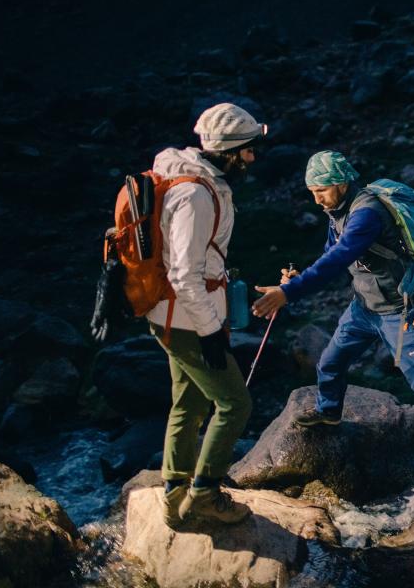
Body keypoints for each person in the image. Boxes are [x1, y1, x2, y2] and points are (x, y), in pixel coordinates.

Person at [251, 151, 414, 495]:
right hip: (363, 308)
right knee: (330, 362)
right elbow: (330, 253)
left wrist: (289, 294)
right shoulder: (337, 211)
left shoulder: (367, 214)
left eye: (321, 190)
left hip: (399, 312)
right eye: (312, 192)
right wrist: (297, 278)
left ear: (342, 182)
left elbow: (341, 257)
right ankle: (329, 412)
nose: (316, 199)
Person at [149, 103, 267, 527]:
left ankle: (174, 492)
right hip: (186, 319)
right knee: (236, 403)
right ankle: (204, 493)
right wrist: (211, 332)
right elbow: (184, 273)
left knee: (188, 402)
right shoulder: (196, 194)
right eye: (249, 151)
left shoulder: (186, 178)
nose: (252, 159)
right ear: (230, 151)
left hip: (172, 314)